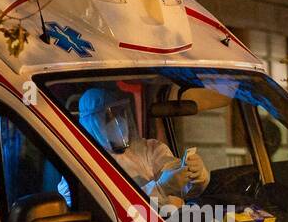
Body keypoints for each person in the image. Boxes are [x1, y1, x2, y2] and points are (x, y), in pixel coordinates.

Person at [78, 86, 209, 205]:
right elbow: (113, 210)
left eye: (121, 114)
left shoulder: (149, 149)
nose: (119, 122)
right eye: (108, 118)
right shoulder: (80, 165)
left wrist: (196, 174)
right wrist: (160, 189)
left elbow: (186, 188)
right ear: (91, 124)